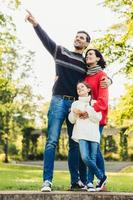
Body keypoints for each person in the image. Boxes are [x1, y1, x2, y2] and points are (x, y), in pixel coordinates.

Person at [25, 10, 110, 192]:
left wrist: (110, 80)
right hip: (58, 101)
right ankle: (47, 181)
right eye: (76, 37)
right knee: (52, 141)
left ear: (87, 43)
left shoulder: (86, 65)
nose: (78, 39)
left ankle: (76, 181)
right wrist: (35, 24)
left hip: (75, 106)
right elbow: (46, 41)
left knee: (76, 143)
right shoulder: (61, 52)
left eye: (82, 38)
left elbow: (98, 75)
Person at [68, 81, 107, 192]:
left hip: (93, 134)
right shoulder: (75, 104)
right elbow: (71, 120)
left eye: (82, 87)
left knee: (93, 158)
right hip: (81, 134)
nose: (79, 89)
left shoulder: (94, 102)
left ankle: (90, 183)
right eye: (77, 88)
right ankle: (101, 176)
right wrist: (74, 112)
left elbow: (98, 118)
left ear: (88, 89)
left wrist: (87, 111)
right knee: (85, 157)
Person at [83, 49, 109, 191]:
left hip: (97, 117)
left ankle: (101, 179)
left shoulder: (102, 76)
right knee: (90, 149)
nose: (88, 56)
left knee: (95, 149)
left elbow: (103, 101)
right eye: (87, 55)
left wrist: (89, 112)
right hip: (86, 118)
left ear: (98, 58)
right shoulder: (85, 77)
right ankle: (90, 181)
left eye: (91, 54)